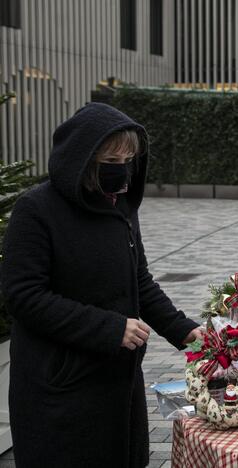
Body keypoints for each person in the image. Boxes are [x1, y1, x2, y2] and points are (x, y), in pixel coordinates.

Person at [1, 103, 203, 467]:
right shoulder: (36, 210)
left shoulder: (120, 206)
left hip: (117, 384)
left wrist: (186, 331)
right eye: (112, 159)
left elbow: (138, 279)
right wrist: (110, 328)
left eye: (129, 158)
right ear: (82, 158)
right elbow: (24, 296)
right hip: (61, 388)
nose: (122, 169)